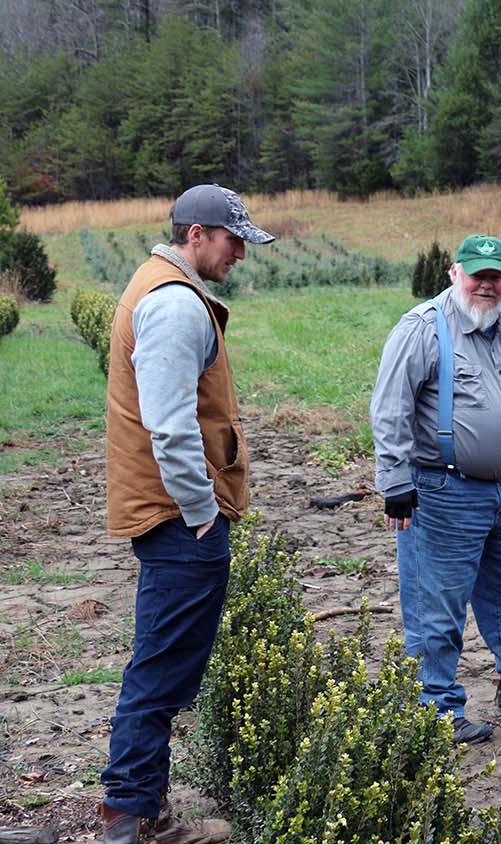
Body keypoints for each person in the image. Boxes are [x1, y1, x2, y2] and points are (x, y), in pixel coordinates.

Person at [100, 184, 275, 844]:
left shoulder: (160, 285)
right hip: (181, 520)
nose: (240, 253)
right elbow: (170, 426)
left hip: (171, 514)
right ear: (196, 234)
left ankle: (140, 809)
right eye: (233, 240)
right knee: (162, 669)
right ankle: (134, 817)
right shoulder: (175, 305)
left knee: (161, 664)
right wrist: (201, 512)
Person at [371, 234, 501, 747]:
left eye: (496, 276)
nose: (486, 285)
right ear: (454, 273)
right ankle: (435, 711)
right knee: (437, 608)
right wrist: (396, 483)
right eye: (477, 274)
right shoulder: (422, 329)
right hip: (441, 491)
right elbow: (390, 408)